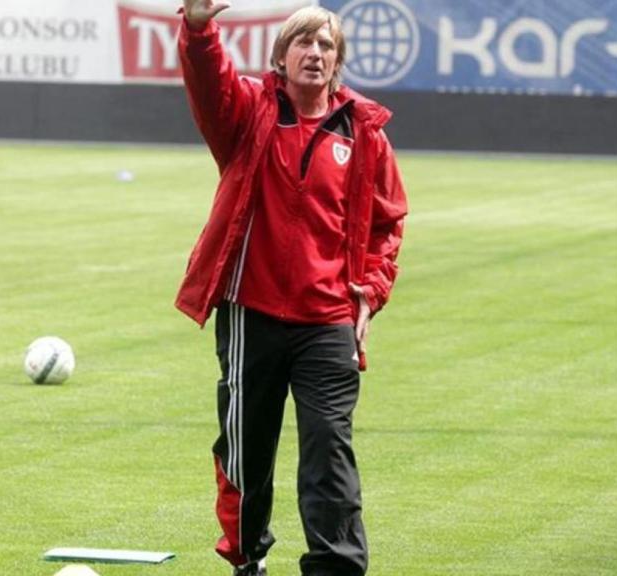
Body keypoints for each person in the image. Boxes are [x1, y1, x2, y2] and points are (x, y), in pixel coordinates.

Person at [175, 2, 408, 575]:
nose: (316, 53)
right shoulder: (249, 113)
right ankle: (246, 558)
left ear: (338, 62)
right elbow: (209, 85)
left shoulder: (365, 132)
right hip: (250, 314)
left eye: (327, 45)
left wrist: (370, 291)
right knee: (246, 454)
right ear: (281, 58)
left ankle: (335, 568)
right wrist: (200, 29)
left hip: (327, 319)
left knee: (329, 450)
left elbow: (387, 222)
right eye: (304, 43)